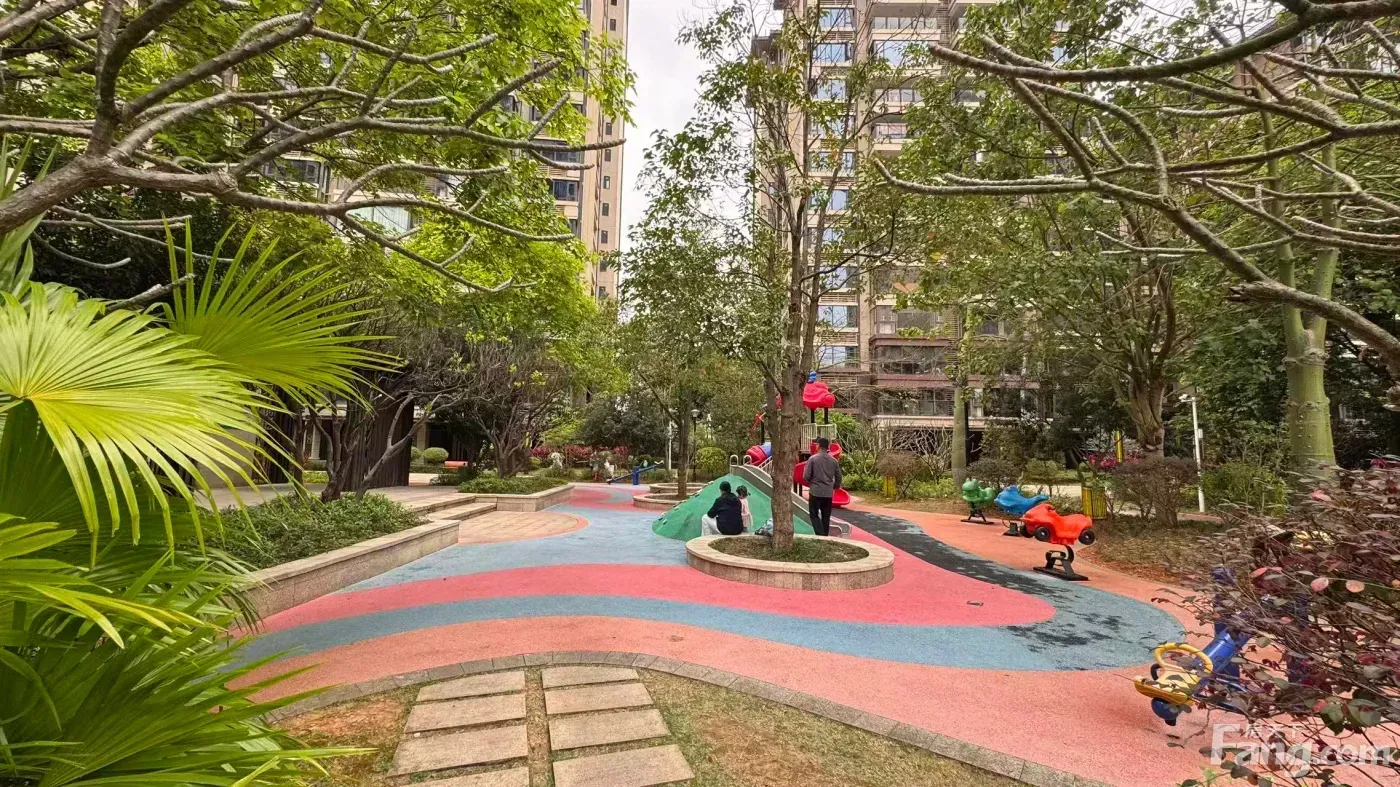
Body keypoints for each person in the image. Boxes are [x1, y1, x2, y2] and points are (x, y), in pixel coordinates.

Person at [803, 437, 842, 536]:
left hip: (815, 491)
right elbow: (838, 477)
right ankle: (825, 535)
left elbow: (806, 476)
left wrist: (812, 482)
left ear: (818, 446)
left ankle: (820, 534)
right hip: (828, 492)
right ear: (827, 447)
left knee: (814, 514)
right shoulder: (833, 461)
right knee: (826, 516)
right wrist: (835, 487)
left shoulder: (813, 459)